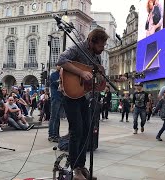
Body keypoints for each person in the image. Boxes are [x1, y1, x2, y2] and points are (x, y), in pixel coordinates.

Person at [57, 28, 108, 180]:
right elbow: (61, 60)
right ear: (92, 42)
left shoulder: (95, 57)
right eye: (101, 45)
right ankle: (75, 169)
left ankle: (81, 166)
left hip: (83, 97)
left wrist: (101, 81)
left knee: (87, 131)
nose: (103, 48)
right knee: (77, 130)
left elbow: (97, 79)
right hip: (70, 94)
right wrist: (80, 73)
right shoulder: (78, 48)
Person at [48, 65, 64, 142]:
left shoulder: (63, 74)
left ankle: (56, 134)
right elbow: (57, 83)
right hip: (56, 97)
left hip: (61, 97)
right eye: (59, 65)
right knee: (53, 116)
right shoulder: (54, 75)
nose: (60, 66)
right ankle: (51, 135)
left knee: (58, 117)